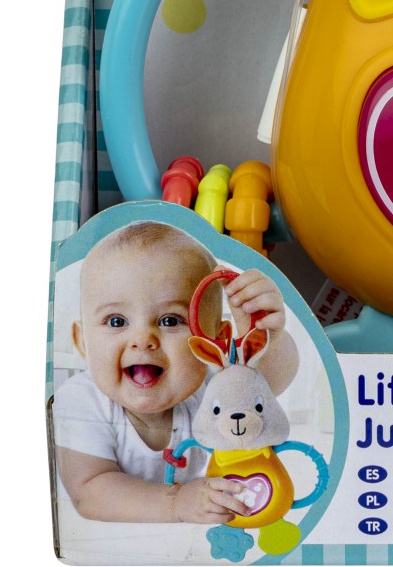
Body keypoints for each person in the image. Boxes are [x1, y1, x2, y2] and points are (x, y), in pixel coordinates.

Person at [54, 220, 299, 524]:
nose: (142, 339)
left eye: (170, 320)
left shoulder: (208, 390)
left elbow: (268, 383)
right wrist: (177, 503)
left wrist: (267, 336)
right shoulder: (81, 399)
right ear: (82, 341)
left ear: (214, 342)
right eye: (116, 321)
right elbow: (89, 493)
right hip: (107, 544)